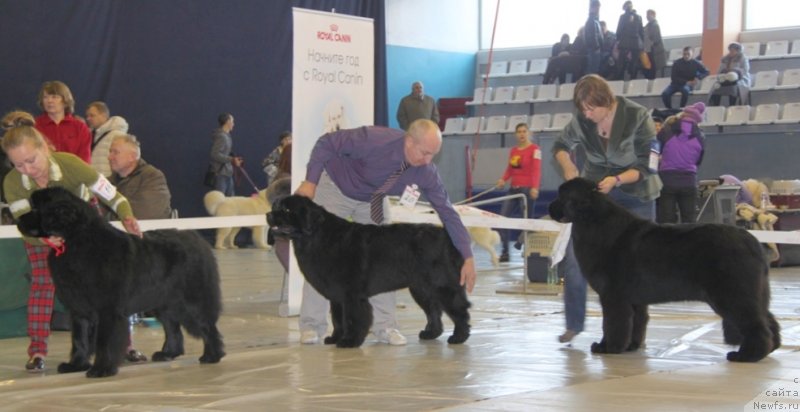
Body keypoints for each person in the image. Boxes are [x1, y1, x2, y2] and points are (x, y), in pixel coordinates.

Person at [294, 119, 477, 346]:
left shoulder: (426, 171)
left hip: (373, 199)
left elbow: (447, 211)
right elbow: (326, 143)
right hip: (337, 187)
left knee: (388, 260)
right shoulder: (373, 140)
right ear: (409, 141)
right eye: (425, 153)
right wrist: (311, 181)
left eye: (433, 155)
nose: (428, 161)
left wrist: (466, 254)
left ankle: (385, 327)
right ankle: (312, 325)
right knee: (322, 259)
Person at [1, 113, 144, 372]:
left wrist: (127, 216)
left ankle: (124, 346)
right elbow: (24, 223)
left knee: (109, 285)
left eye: (31, 160)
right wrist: (43, 239)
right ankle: (37, 351)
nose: (27, 170)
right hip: (42, 233)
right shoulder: (12, 183)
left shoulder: (72, 165)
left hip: (84, 227)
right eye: (18, 165)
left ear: (45, 148)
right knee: (43, 284)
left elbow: (112, 196)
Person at [552, 74, 662, 343]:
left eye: (592, 108)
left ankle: (635, 333)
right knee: (575, 262)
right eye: (583, 109)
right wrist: (567, 165)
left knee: (635, 269)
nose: (587, 115)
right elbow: (560, 146)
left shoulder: (638, 116)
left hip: (637, 195)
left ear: (607, 101)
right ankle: (573, 324)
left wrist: (617, 179)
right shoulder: (582, 121)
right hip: (595, 201)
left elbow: (649, 166)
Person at [495, 122, 541, 263]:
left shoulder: (535, 149)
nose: (521, 134)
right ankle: (505, 253)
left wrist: (535, 187)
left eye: (524, 131)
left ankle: (527, 250)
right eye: (519, 131)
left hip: (527, 191)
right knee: (503, 219)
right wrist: (503, 179)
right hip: (513, 190)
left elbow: (536, 170)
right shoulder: (514, 151)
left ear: (529, 133)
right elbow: (510, 169)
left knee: (527, 222)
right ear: (516, 134)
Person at [656, 102, 706, 224]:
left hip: (666, 181)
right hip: (689, 181)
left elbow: (655, 153)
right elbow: (699, 160)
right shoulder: (701, 137)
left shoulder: (666, 130)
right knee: (689, 221)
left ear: (683, 115)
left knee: (667, 220)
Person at [108, 134, 173, 219]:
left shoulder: (153, 178)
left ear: (132, 157)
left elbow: (144, 214)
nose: (109, 157)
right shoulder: (107, 182)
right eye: (110, 152)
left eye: (115, 152)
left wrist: (105, 219)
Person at [34, 81, 92, 163]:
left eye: (54, 97)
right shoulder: (35, 126)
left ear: (65, 101)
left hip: (74, 173)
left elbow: (85, 159)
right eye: (45, 97)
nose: (49, 101)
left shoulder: (80, 127)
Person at [85, 101, 130, 177]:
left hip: (108, 182)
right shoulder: (92, 135)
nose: (88, 119)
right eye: (87, 116)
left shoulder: (117, 135)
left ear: (104, 115)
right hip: (94, 180)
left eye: (92, 115)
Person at [208, 113, 242, 196]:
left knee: (230, 200)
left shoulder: (226, 136)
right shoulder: (222, 137)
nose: (234, 124)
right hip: (221, 174)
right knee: (220, 200)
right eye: (232, 121)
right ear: (228, 122)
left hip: (227, 172)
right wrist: (231, 159)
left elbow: (224, 153)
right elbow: (214, 154)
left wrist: (233, 159)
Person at [709, 42, 752, 107]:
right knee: (716, 87)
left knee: (733, 88)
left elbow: (746, 70)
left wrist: (735, 70)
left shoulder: (743, 58)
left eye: (733, 50)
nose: (731, 52)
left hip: (740, 78)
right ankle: (715, 106)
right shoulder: (725, 59)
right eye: (730, 50)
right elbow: (720, 70)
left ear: (738, 50)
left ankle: (732, 105)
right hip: (726, 78)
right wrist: (724, 71)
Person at [614, 1, 644, 81]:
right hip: (636, 44)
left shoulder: (623, 17)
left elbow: (619, 31)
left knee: (621, 64)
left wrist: (617, 41)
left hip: (624, 43)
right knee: (634, 65)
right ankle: (632, 82)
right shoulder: (639, 17)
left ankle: (619, 82)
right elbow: (641, 32)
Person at [642, 9, 665, 80]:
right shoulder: (647, 26)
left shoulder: (655, 25)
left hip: (654, 52)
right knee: (647, 70)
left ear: (653, 15)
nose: (647, 16)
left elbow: (655, 39)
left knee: (652, 71)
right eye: (646, 15)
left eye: (649, 15)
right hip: (647, 51)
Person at [584, 0, 603, 76]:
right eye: (597, 8)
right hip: (594, 50)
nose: (598, 10)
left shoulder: (595, 20)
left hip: (595, 49)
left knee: (594, 70)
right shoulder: (591, 21)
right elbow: (592, 36)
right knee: (593, 71)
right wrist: (597, 47)